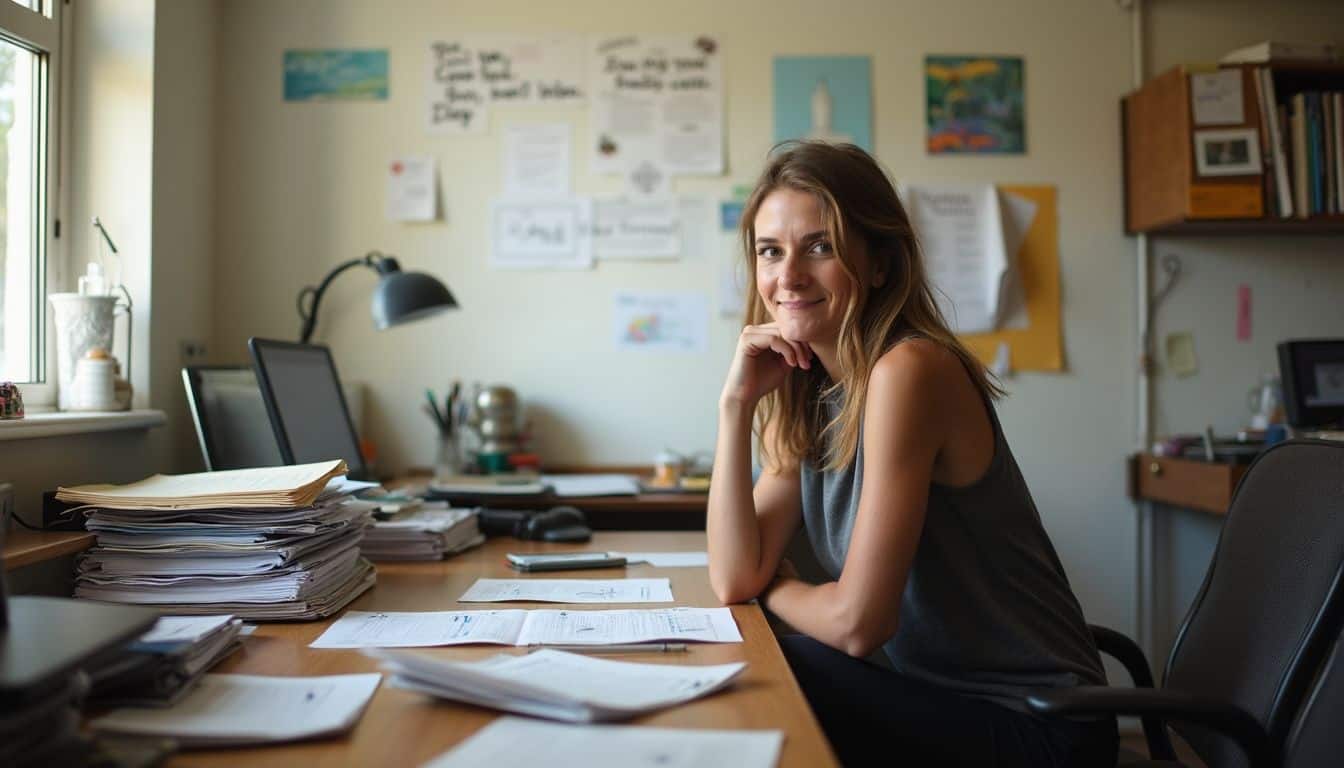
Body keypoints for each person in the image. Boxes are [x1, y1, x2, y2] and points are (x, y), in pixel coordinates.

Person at [707, 141, 1117, 767]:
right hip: (940, 702)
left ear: (878, 263)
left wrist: (778, 590)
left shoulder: (909, 371)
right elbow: (734, 576)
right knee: (767, 669)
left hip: (1042, 731)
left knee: (775, 670)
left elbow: (856, 625)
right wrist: (735, 406)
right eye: (770, 251)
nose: (787, 277)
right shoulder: (808, 391)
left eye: (820, 246)